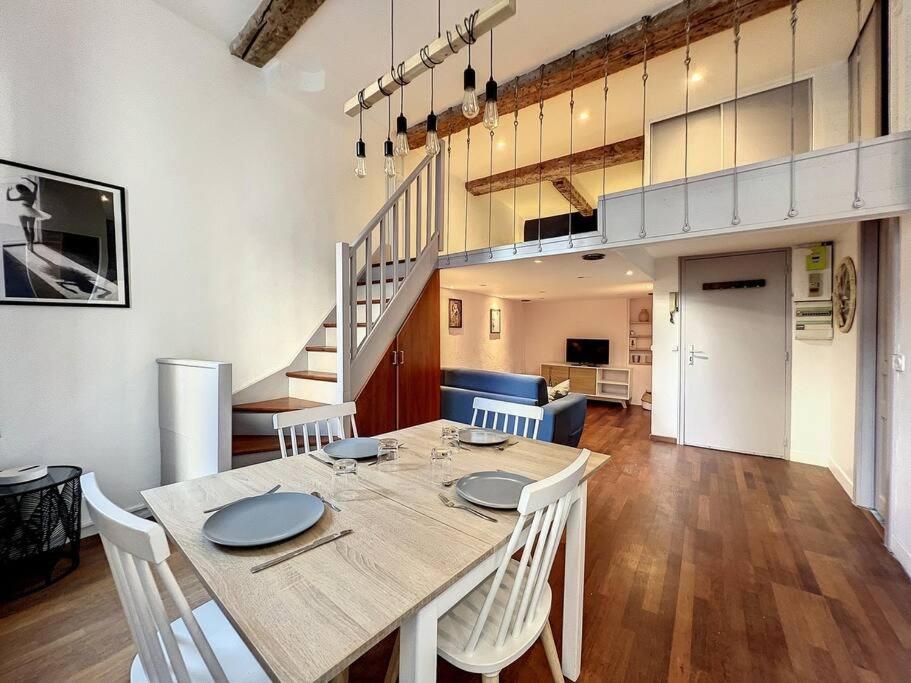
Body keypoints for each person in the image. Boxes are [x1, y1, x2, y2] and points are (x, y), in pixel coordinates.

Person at [6, 177, 51, 252]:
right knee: (31, 229)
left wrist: (8, 191)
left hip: (23, 212)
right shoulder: (33, 193)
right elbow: (36, 185)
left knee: (25, 229)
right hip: (31, 212)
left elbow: (9, 199)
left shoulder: (22, 196)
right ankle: (31, 245)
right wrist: (28, 179)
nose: (18, 191)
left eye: (18, 190)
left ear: (21, 190)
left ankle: (28, 243)